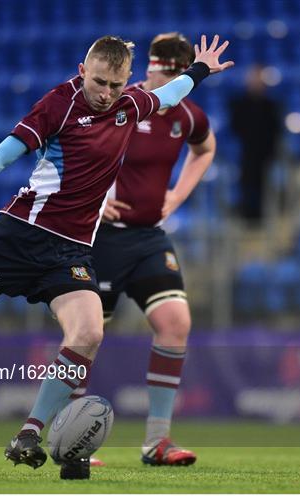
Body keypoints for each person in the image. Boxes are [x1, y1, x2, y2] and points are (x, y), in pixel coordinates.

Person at [0, 34, 233, 475]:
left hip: (70, 251)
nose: (106, 94)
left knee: (89, 333)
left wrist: (200, 70)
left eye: (116, 85)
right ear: (82, 71)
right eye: (99, 83)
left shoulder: (130, 105)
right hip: (19, 237)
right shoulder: (59, 103)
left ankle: (30, 432)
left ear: (128, 81)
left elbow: (173, 92)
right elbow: (1, 156)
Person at [71, 32, 214, 467]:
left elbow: (204, 150)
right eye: (161, 71)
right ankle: (70, 434)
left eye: (177, 74)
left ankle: (157, 442)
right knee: (84, 337)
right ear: (148, 68)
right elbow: (72, 151)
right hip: (102, 238)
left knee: (175, 323)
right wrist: (93, 200)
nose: (167, 81)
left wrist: (177, 196)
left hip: (149, 236)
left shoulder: (188, 115)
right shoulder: (121, 105)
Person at [228, 64, 281, 225]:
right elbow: (234, 127)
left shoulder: (272, 105)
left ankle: (263, 218)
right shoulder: (238, 103)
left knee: (264, 186)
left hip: (266, 153)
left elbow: (276, 129)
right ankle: (246, 217)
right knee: (246, 184)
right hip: (245, 152)